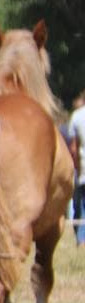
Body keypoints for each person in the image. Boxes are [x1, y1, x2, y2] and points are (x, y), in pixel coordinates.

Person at [67, 90, 84, 246]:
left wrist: (77, 168)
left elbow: (73, 148)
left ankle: (82, 239)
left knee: (80, 205)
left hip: (83, 168)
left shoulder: (77, 116)